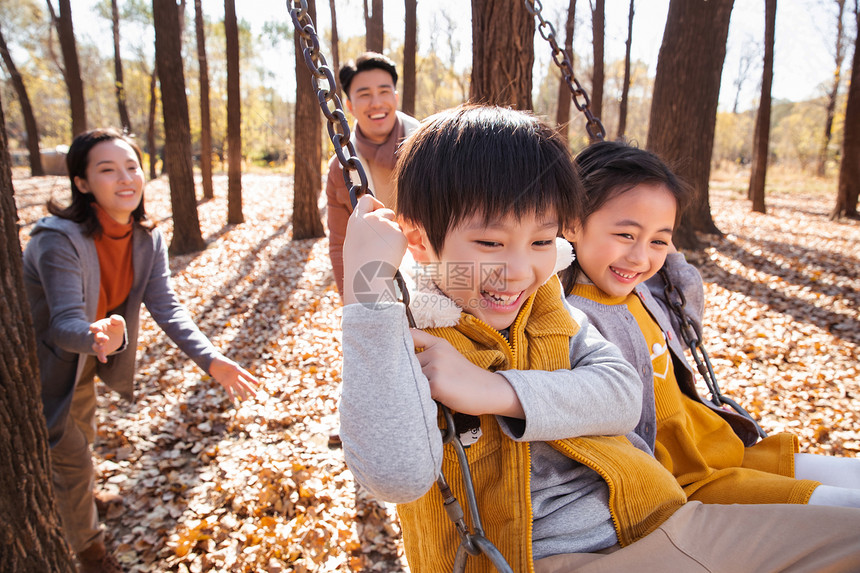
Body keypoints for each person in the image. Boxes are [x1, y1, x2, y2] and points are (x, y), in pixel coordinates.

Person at [338, 105, 860, 572]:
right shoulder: (405, 330)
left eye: (542, 240)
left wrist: (495, 391)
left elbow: (620, 394)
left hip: (656, 514)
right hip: (545, 554)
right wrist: (367, 295)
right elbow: (396, 476)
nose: (520, 271)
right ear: (419, 238)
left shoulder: (547, 303)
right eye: (491, 241)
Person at [561, 139, 860, 509]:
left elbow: (686, 317)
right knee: (846, 511)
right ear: (573, 224)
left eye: (659, 239)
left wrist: (668, 257)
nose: (639, 257)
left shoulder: (636, 291)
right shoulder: (572, 317)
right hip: (685, 479)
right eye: (626, 234)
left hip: (721, 445)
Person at [22, 128, 259, 573]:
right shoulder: (58, 239)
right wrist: (95, 336)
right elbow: (63, 322)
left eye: (132, 167)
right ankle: (90, 552)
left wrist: (212, 360)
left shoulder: (145, 238)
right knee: (69, 453)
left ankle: (83, 497)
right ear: (82, 182)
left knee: (83, 432)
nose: (125, 178)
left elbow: (167, 308)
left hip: (89, 359)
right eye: (107, 170)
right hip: (47, 364)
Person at [325, 51, 420, 295]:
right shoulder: (341, 167)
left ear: (395, 97)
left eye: (384, 91)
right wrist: (353, 306)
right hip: (379, 281)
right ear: (349, 106)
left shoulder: (431, 145)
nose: (376, 103)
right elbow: (339, 244)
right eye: (365, 95)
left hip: (440, 275)